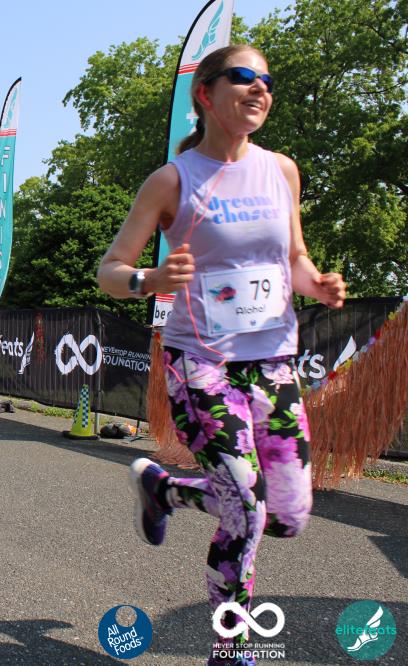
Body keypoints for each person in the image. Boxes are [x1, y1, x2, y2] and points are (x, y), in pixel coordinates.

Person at [96, 45, 346, 666]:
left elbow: (294, 256)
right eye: (243, 77)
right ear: (205, 94)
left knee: (288, 516)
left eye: (267, 81)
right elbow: (111, 269)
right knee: (248, 512)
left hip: (273, 363)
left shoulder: (281, 171)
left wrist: (316, 284)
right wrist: (150, 280)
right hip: (200, 365)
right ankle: (230, 650)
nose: (260, 89)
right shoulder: (173, 180)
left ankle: (165, 490)